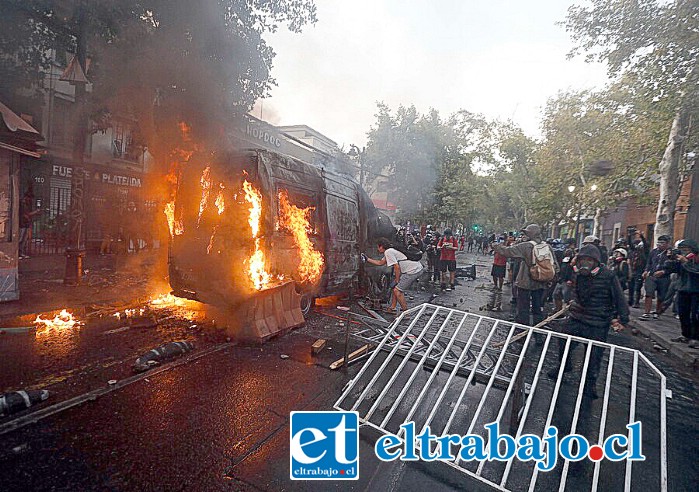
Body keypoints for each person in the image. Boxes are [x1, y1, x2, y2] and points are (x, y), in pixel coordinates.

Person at [546, 245, 629, 398]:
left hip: (598, 322)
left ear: (596, 262)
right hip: (577, 318)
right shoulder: (578, 275)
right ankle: (564, 365)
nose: (585, 263)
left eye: (589, 260)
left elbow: (619, 298)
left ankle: (590, 383)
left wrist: (623, 318)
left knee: (594, 356)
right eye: (583, 259)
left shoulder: (609, 276)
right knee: (563, 340)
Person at [491, 224, 559, 326]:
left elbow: (507, 251)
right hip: (541, 282)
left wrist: (495, 245)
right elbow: (555, 265)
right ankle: (538, 331)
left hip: (525, 282)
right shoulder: (547, 246)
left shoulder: (526, 246)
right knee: (538, 308)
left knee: (523, 308)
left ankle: (522, 332)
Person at [365, 237, 424, 314]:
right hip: (415, 268)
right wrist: (367, 259)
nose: (377, 249)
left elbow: (396, 267)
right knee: (394, 287)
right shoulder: (390, 251)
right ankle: (392, 307)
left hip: (413, 271)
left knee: (397, 290)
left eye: (378, 247)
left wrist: (397, 279)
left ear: (381, 246)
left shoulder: (388, 252)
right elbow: (380, 263)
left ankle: (405, 312)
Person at [665, 239, 699, 348]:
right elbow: (673, 270)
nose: (683, 252)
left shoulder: (696, 258)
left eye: (685, 249)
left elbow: (696, 271)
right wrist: (671, 259)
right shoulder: (683, 259)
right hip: (683, 288)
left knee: (695, 315)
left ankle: (696, 338)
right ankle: (686, 335)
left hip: (696, 290)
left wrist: (685, 262)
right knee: (683, 313)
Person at [640, 234, 672, 320]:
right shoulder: (653, 252)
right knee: (649, 293)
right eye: (659, 242)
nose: (660, 244)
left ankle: (657, 312)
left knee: (661, 296)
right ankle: (646, 312)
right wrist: (646, 270)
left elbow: (674, 267)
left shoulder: (670, 253)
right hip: (652, 276)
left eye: (662, 242)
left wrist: (664, 271)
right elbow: (649, 262)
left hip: (664, 278)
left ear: (667, 244)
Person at [627, 229, 648, 307]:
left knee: (637, 287)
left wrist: (641, 236)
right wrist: (629, 235)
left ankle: (636, 302)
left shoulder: (645, 252)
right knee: (631, 286)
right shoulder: (633, 251)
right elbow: (630, 244)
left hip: (640, 270)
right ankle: (630, 300)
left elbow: (645, 244)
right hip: (632, 270)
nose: (637, 246)